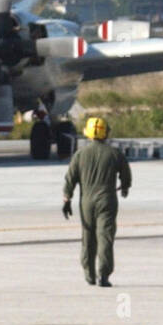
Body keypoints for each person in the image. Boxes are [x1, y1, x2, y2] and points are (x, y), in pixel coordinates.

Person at [62, 116, 132, 286]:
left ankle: (89, 274)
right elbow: (126, 175)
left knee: (88, 238)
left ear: (88, 134)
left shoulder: (80, 155)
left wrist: (66, 199)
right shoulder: (115, 154)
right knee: (105, 237)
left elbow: (70, 178)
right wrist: (124, 187)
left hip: (86, 202)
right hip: (107, 201)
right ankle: (104, 275)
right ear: (105, 133)